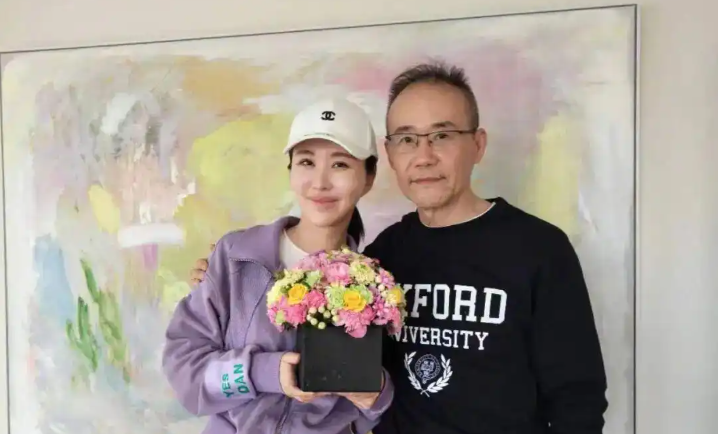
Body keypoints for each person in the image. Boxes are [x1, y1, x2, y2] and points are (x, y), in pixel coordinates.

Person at [189, 62, 608, 434]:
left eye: (442, 135)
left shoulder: (538, 250)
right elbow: (342, 369)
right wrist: (224, 279)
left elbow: (578, 399)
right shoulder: (378, 260)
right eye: (407, 139)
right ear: (389, 153)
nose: (423, 157)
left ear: (478, 144)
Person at [163, 97, 394, 434]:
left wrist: (377, 396)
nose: (320, 182)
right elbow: (185, 370)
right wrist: (262, 372)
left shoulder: (373, 286)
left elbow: (373, 407)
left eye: (340, 165)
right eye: (306, 162)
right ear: (290, 170)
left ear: (368, 177)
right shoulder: (237, 257)